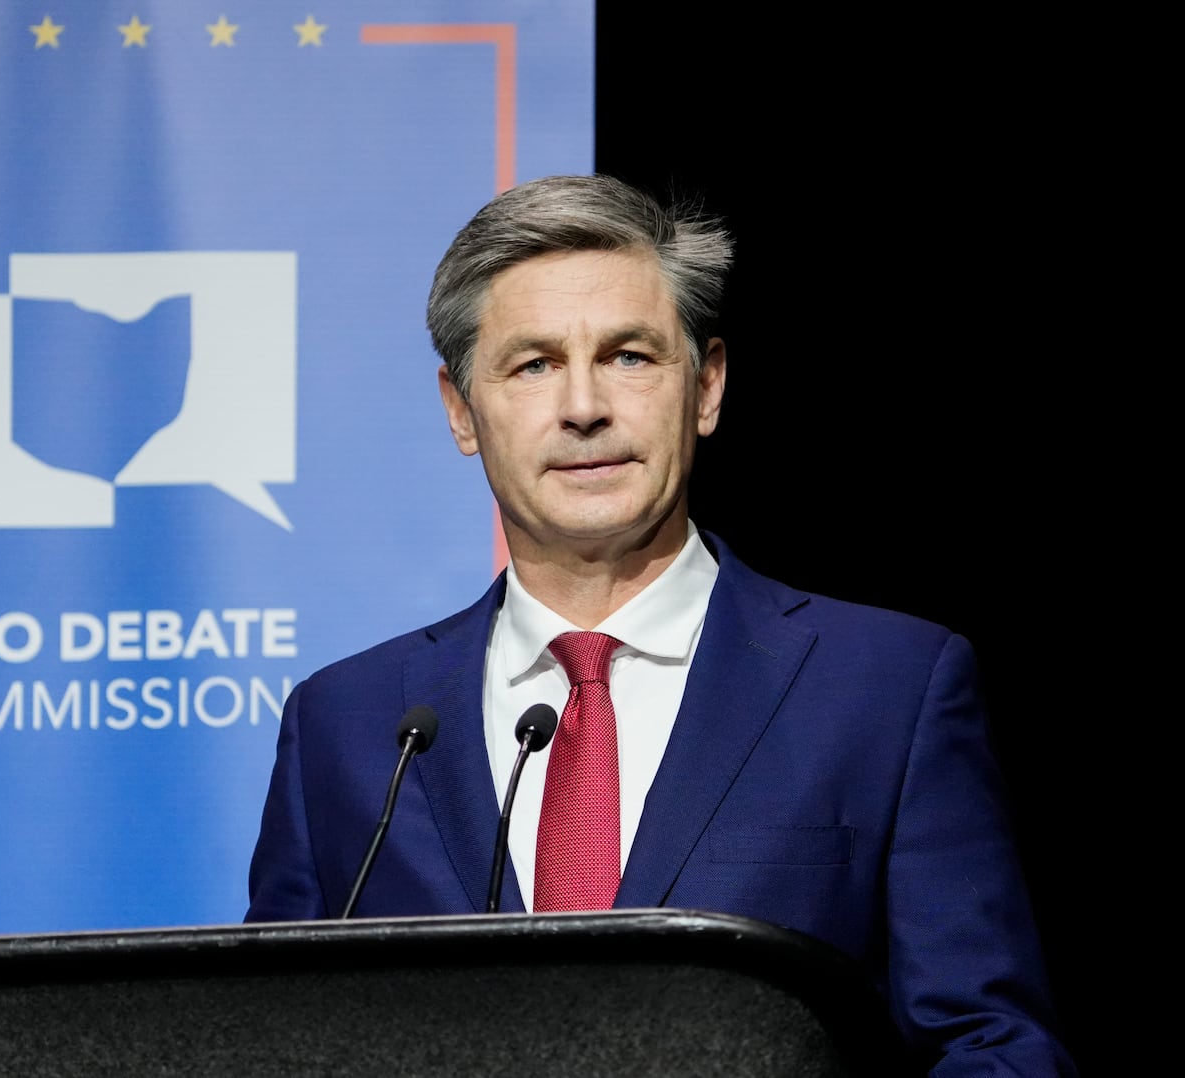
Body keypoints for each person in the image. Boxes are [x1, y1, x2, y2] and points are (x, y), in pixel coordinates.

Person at [244, 174, 1074, 1075]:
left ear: (707, 386)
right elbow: (265, 1044)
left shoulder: (889, 690)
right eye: (533, 365)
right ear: (461, 411)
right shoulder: (349, 726)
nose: (585, 407)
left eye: (630, 356)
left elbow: (989, 1048)